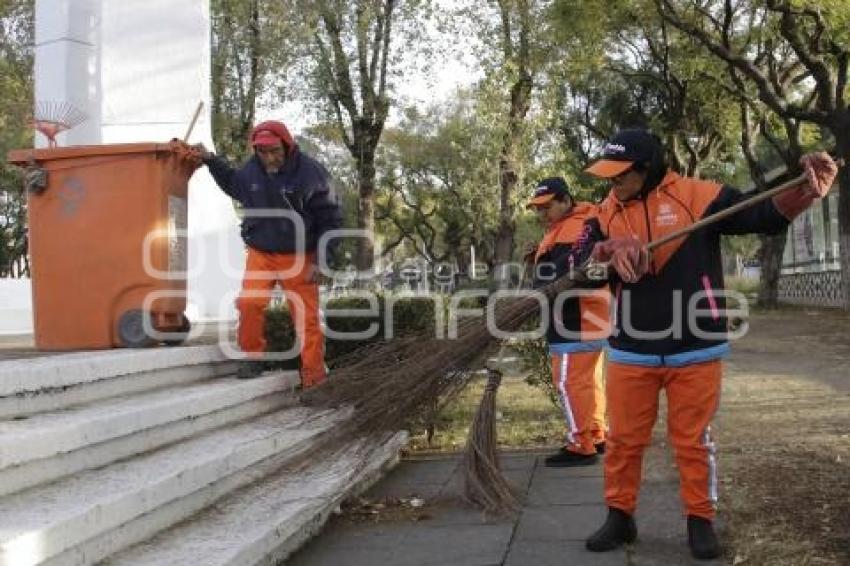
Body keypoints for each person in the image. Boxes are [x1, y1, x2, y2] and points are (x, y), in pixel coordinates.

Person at [576, 129, 837, 560]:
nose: (612, 184)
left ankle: (700, 520)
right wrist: (605, 253)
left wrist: (806, 191)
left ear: (648, 168)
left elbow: (764, 216)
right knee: (622, 440)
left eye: (620, 175)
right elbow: (578, 267)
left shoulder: (699, 197)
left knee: (693, 441)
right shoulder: (602, 215)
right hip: (630, 348)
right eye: (608, 175)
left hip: (695, 345)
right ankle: (619, 516)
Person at [195, 120, 343, 385]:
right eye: (262, 152)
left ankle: (314, 378)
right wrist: (210, 160)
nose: (269, 157)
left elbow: (331, 220)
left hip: (300, 254)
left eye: (274, 150)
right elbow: (232, 183)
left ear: (286, 145)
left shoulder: (311, 173)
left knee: (306, 319)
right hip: (261, 251)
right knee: (249, 303)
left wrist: (323, 260)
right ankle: (253, 358)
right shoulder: (252, 170)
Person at [525, 177, 609, 467]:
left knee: (569, 382)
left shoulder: (573, 228)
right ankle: (596, 435)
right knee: (587, 381)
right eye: (537, 209)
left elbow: (567, 271)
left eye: (546, 207)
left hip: (574, 320)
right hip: (590, 318)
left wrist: (534, 294)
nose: (541, 214)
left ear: (565, 200)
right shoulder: (578, 222)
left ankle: (580, 444)